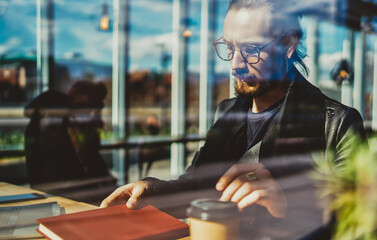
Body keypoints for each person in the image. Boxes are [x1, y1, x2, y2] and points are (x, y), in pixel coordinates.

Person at [101, 0, 365, 238]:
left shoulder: (338, 124)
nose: (235, 64)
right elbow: (199, 185)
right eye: (229, 47)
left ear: (288, 45)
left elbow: (358, 223)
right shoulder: (226, 112)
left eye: (251, 49)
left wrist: (289, 205)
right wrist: (154, 190)